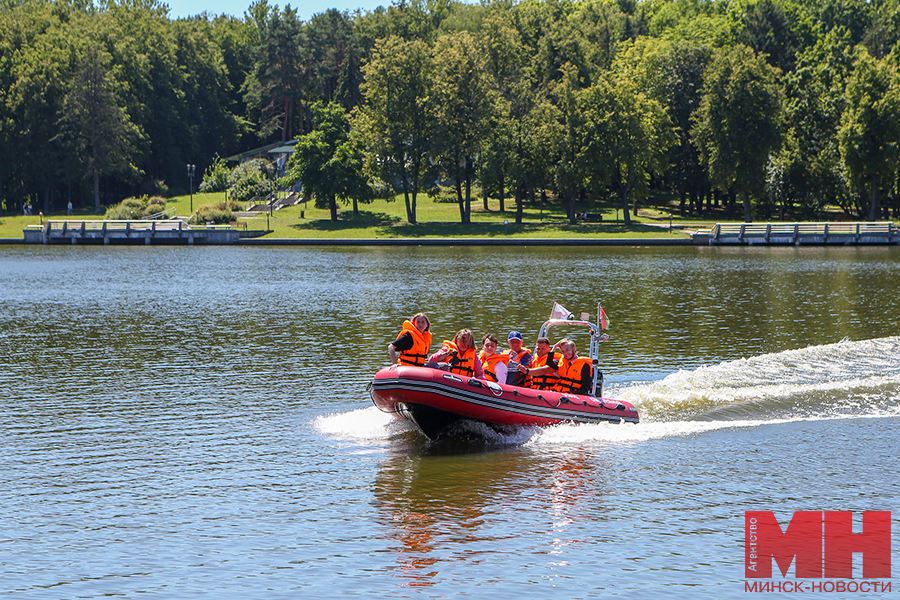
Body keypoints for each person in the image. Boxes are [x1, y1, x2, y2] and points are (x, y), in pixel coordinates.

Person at [522, 338, 593, 395]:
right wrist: (554, 347)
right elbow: (549, 363)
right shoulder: (562, 362)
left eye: (567, 350)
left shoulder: (583, 364)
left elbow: (586, 386)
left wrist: (574, 395)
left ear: (574, 349)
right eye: (563, 351)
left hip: (573, 394)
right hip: (559, 392)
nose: (565, 353)